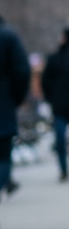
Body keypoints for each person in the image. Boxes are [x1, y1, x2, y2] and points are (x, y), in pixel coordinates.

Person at [42, 29, 69, 181]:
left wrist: (51, 98)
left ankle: (64, 170)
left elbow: (45, 82)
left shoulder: (54, 58)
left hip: (60, 105)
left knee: (61, 138)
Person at [0, 16, 30, 207]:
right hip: (3, 103)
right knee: (3, 156)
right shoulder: (8, 37)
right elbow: (22, 70)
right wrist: (15, 97)